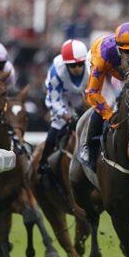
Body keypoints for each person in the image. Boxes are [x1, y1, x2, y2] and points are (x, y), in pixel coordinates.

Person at [78, 22, 129, 169]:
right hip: (103, 65)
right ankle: (89, 148)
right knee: (108, 104)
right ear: (119, 49)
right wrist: (109, 115)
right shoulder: (102, 56)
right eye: (127, 52)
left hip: (124, 73)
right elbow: (92, 93)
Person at [38, 39, 89, 178]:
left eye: (79, 64)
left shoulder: (91, 67)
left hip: (81, 98)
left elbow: (94, 93)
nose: (77, 68)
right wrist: (68, 117)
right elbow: (53, 99)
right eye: (72, 65)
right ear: (66, 65)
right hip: (61, 98)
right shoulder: (56, 72)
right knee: (57, 125)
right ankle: (43, 164)